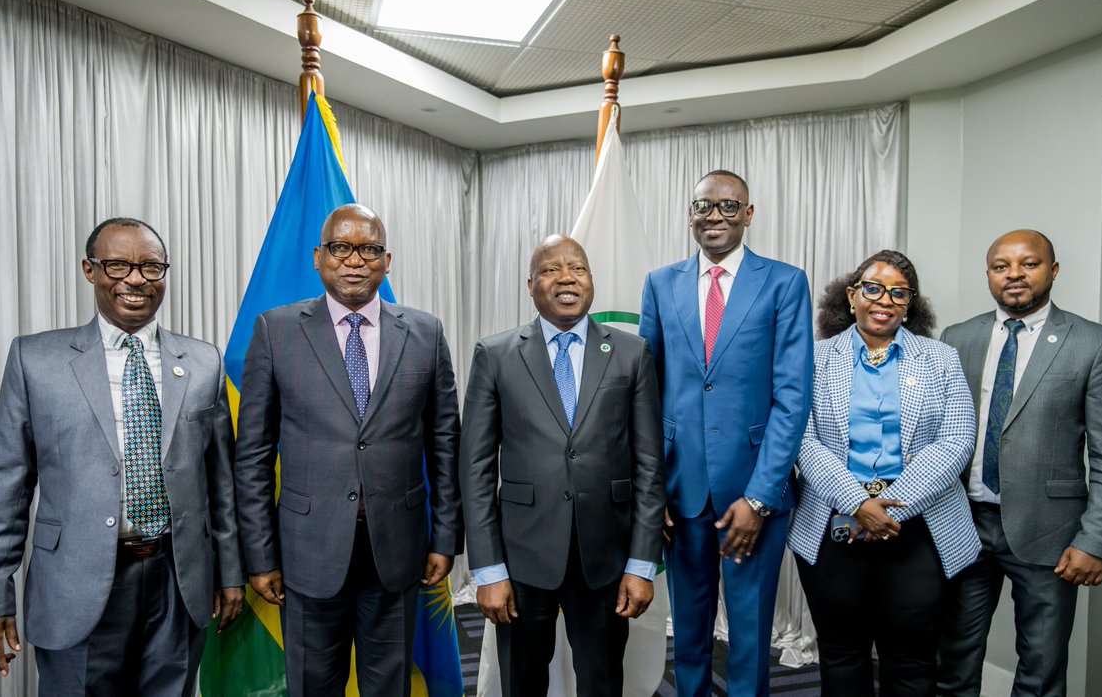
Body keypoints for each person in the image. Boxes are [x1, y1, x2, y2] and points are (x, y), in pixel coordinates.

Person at [0, 218, 244, 695]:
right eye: (117, 265)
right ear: (89, 270)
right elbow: (4, 491)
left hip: (178, 583)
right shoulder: (35, 360)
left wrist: (231, 572)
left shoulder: (203, 362)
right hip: (75, 584)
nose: (135, 279)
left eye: (151, 267)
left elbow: (221, 481)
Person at [235, 203, 461, 696]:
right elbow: (252, 455)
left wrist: (445, 538)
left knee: (389, 687)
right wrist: (259, 555)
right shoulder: (276, 331)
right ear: (319, 257)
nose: (354, 260)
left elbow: (445, 445)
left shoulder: (425, 333)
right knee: (314, 686)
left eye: (368, 250)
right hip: (305, 551)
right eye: (340, 248)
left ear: (387, 261)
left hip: (398, 551)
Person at [460, 234, 664, 697]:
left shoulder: (632, 354)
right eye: (552, 269)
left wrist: (641, 564)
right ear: (530, 285)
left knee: (603, 680)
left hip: (607, 558)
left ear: (591, 281)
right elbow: (475, 470)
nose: (567, 277)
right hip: (522, 558)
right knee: (523, 681)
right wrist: (488, 571)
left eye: (578, 268)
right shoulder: (495, 355)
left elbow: (649, 466)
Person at [937, 229, 1102, 696]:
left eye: (1029, 263)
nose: (1014, 275)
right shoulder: (957, 338)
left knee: (1041, 672)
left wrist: (1096, 541)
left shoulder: (1093, 343)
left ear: (1054, 270)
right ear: (988, 275)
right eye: (1001, 266)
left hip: (1051, 534)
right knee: (953, 663)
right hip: (963, 525)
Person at [639, 169, 814, 695]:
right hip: (682, 490)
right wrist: (654, 492)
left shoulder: (784, 282)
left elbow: (793, 398)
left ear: (749, 214)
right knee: (688, 632)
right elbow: (646, 393)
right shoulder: (660, 283)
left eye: (728, 207)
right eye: (703, 207)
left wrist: (759, 499)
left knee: (749, 635)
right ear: (690, 214)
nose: (714, 217)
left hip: (753, 494)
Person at [788, 250, 980, 696]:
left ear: (910, 304)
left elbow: (956, 441)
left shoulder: (941, 358)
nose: (885, 300)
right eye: (873, 288)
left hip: (919, 529)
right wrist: (857, 503)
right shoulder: (814, 359)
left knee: (911, 660)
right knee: (841, 655)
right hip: (834, 527)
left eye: (899, 293)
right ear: (852, 295)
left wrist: (890, 510)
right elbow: (802, 439)